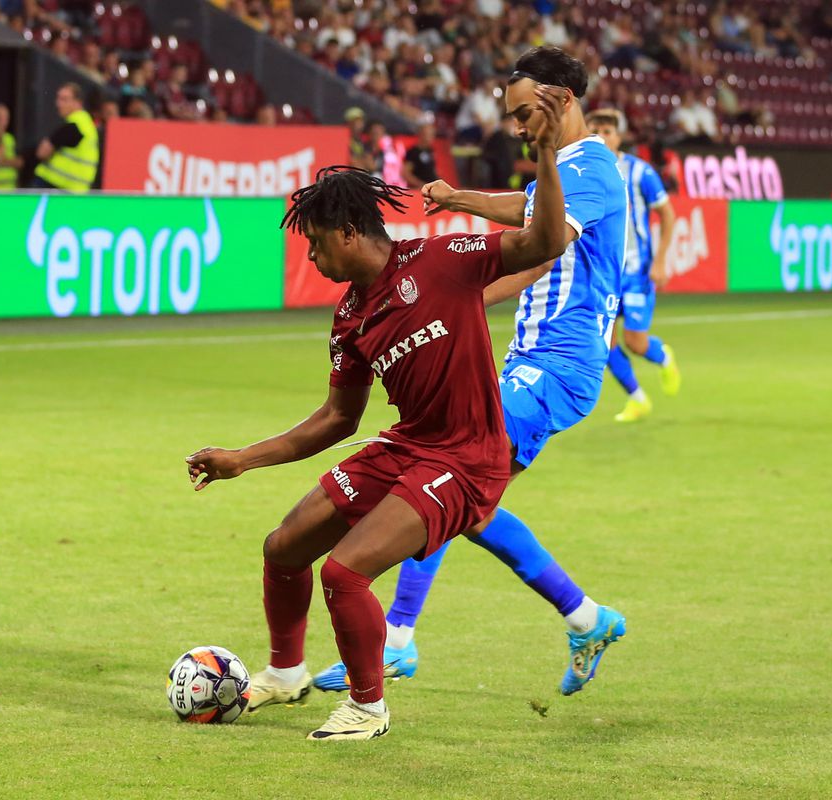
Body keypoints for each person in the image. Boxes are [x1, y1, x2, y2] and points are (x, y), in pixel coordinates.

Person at [185, 86, 572, 742]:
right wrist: (242, 460)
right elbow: (338, 418)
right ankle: (285, 672)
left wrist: (547, 155)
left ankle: (367, 707)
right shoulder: (349, 317)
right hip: (410, 446)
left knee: (344, 572)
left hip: (468, 459)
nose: (311, 258)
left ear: (347, 232)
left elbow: (546, 240)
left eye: (315, 244)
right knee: (284, 548)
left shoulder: (444, 260)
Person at [312, 46, 629, 698]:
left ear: (562, 100)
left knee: (445, 472)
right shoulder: (568, 168)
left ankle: (397, 639)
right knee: (466, 503)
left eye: (524, 112)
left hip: (560, 365)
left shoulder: (591, 167)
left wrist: (461, 290)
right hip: (533, 360)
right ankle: (585, 618)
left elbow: (544, 245)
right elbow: (525, 209)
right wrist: (460, 198)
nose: (516, 126)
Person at [587, 109, 680, 422]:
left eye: (607, 131)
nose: (601, 137)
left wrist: (661, 260)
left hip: (637, 272)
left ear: (619, 137)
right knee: (605, 343)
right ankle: (637, 398)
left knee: (636, 342)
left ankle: (663, 356)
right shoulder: (583, 172)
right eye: (595, 130)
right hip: (604, 274)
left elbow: (667, 214)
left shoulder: (640, 172)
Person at [33, 83, 99, 193]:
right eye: (58, 98)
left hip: (55, 187)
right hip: (75, 191)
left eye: (64, 99)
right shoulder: (86, 124)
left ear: (78, 102)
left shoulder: (74, 126)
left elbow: (42, 153)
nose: (58, 104)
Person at [401, 120, 438, 189]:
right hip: (420, 190)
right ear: (420, 134)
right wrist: (421, 185)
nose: (430, 138)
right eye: (427, 134)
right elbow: (405, 173)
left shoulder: (430, 151)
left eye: (432, 135)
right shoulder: (414, 152)